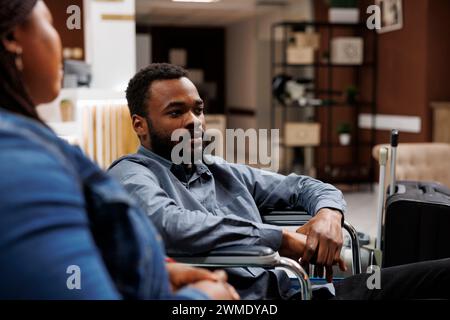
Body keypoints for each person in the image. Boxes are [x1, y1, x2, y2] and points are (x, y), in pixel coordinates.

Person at [109, 63, 450, 300]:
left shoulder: (222, 170)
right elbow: (171, 225)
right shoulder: (133, 173)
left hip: (300, 289)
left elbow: (305, 186)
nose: (195, 121)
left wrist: (329, 213)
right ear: (140, 125)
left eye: (198, 109)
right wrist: (282, 239)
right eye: (175, 113)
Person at [0, 0, 239, 300]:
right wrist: (203, 299)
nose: (193, 122)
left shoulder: (25, 148)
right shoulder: (21, 163)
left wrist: (154, 273)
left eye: (198, 110)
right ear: (12, 38)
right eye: (49, 22)